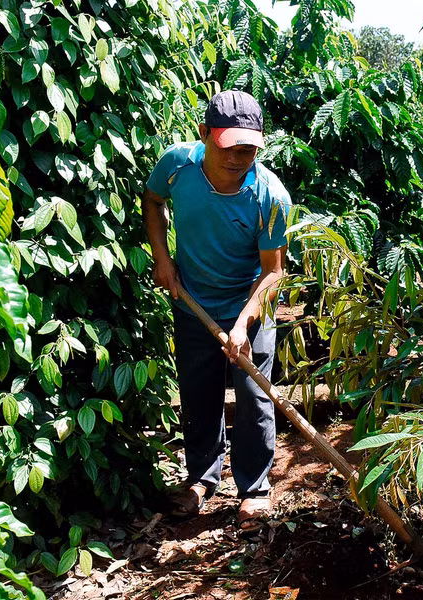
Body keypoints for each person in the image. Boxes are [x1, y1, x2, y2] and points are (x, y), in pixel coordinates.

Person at [142, 90, 290, 534]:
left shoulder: (270, 196)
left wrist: (245, 323)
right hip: (192, 302)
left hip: (250, 304)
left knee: (253, 395)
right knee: (198, 391)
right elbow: (152, 201)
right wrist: (161, 258)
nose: (239, 157)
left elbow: (273, 274)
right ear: (205, 134)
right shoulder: (177, 166)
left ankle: (255, 489)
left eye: (249, 148)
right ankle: (202, 479)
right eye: (229, 146)